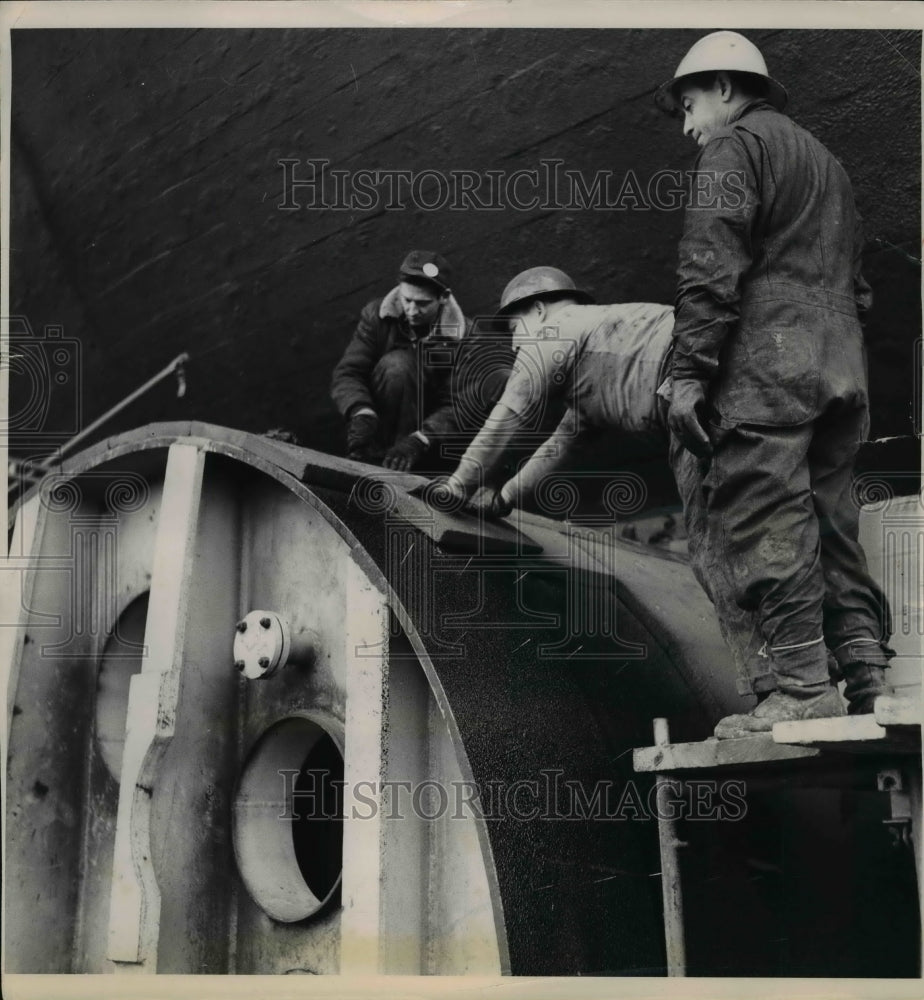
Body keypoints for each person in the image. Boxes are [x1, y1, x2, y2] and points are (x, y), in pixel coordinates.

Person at [654, 30, 894, 737]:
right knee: (831, 523)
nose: (691, 126)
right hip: (840, 365)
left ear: (726, 89)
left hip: (769, 366)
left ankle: (800, 685)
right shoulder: (829, 165)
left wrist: (689, 374)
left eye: (691, 105)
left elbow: (709, 267)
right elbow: (861, 287)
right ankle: (865, 675)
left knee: (767, 516)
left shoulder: (736, 147)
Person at [330, 250, 469, 471]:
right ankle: (369, 460)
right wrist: (361, 411)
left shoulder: (467, 337)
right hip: (378, 432)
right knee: (396, 366)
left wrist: (420, 439)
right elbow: (349, 372)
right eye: (407, 300)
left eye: (422, 303)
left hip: (428, 445)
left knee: (399, 366)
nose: (412, 311)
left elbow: (460, 405)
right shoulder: (376, 315)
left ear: (443, 297)